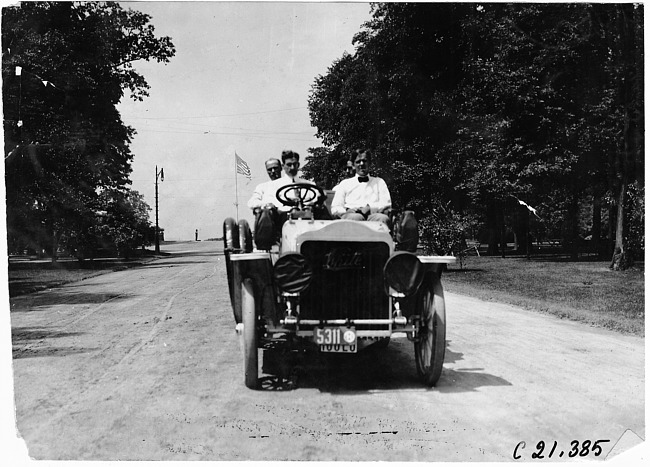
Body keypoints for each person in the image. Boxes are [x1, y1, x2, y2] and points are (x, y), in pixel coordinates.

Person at [330, 149, 391, 226]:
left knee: (382, 218)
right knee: (355, 218)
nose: (361, 164)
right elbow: (336, 207)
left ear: (370, 163)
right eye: (358, 162)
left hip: (373, 215)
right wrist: (346, 211)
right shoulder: (345, 184)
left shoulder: (379, 182)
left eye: (364, 161)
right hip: (351, 216)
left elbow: (386, 204)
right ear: (353, 165)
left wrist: (370, 208)